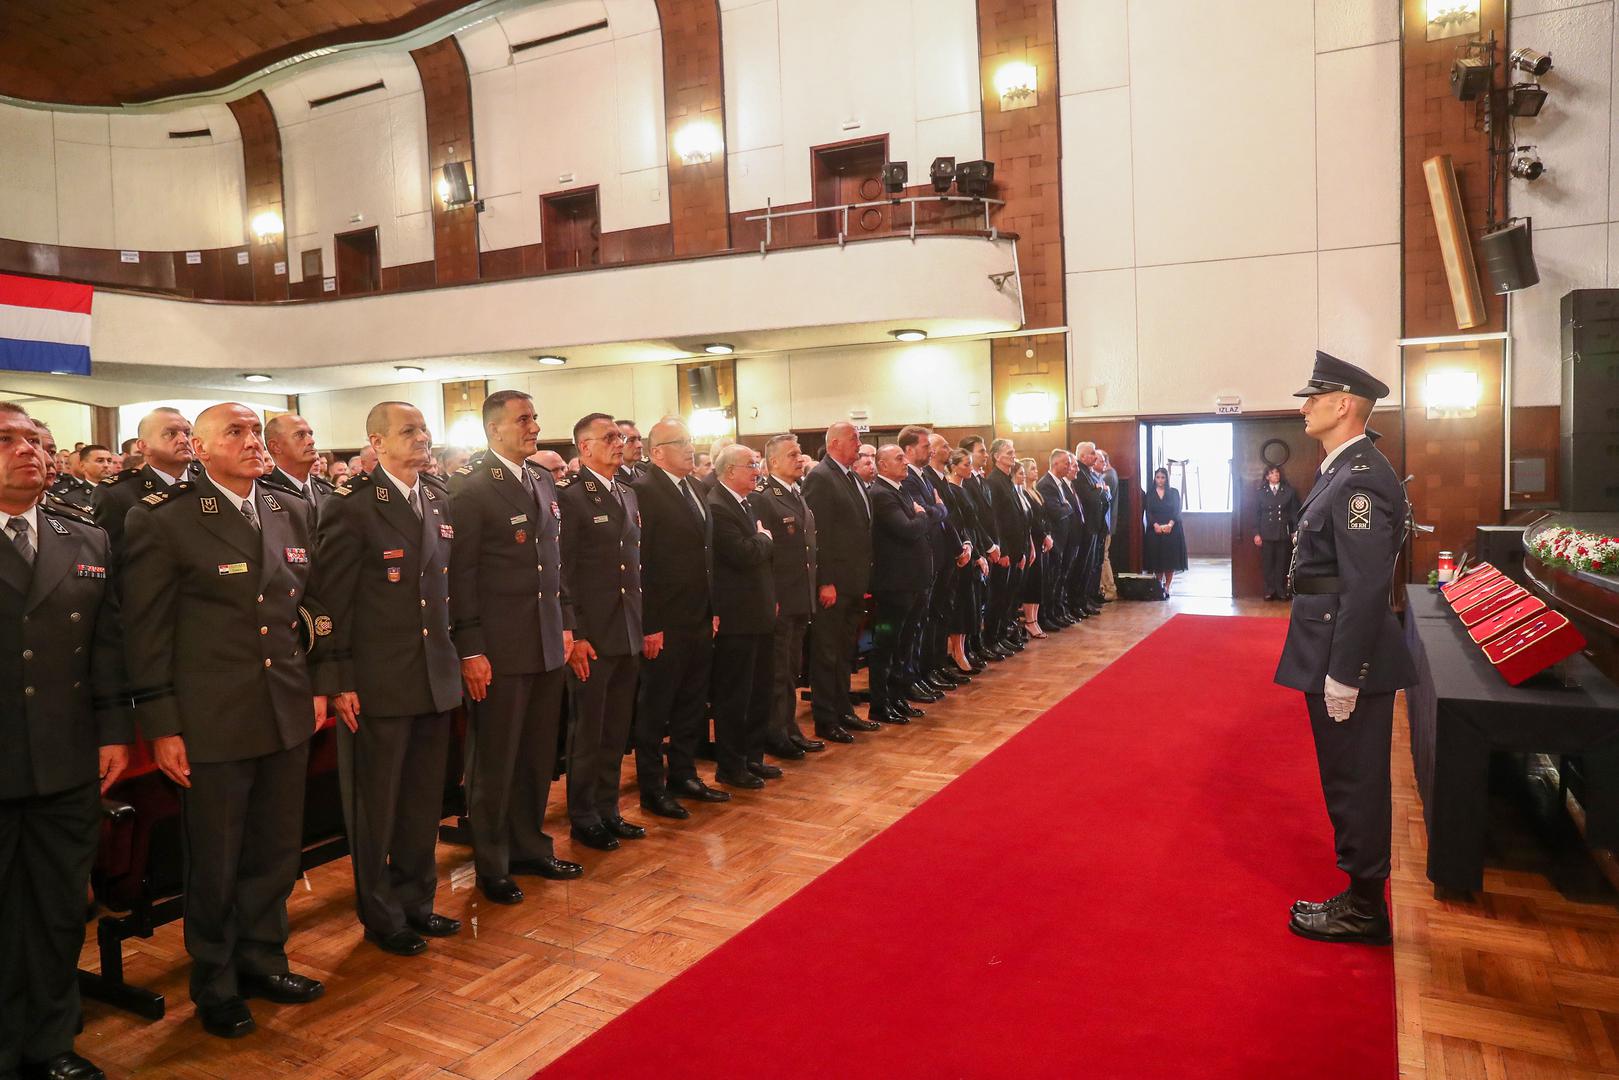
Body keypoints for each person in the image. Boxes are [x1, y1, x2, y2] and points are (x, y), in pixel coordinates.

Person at [122, 403, 328, 1039]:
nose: (251, 442)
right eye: (233, 433)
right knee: (216, 859)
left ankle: (264, 957)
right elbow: (146, 632)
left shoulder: (289, 508)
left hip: (284, 706)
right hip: (212, 717)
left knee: (274, 850)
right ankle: (214, 981)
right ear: (200, 450)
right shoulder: (165, 519)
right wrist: (162, 724)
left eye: (255, 433)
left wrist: (319, 684)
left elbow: (307, 607)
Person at [1, 405, 131, 1080]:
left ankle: (49, 1043)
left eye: (37, 442)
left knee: (58, 910)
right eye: (7, 441)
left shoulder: (83, 537)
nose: (28, 451)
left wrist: (114, 731)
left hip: (64, 754)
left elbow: (106, 648)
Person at [309, 402, 463, 956]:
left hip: (432, 675)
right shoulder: (351, 507)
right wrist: (338, 677)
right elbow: (330, 601)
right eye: (409, 431)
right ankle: (381, 913)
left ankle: (418, 901)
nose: (423, 438)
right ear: (376, 443)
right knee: (376, 806)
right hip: (377, 680)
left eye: (424, 429)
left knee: (423, 799)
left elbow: (448, 590)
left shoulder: (439, 497)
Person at [1276, 351, 1416, 946]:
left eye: (1314, 397)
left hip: (1343, 645)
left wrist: (1346, 672)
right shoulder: (1342, 467)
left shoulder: (1359, 476)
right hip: (1325, 633)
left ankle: (1364, 906)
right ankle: (1360, 894)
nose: (1304, 406)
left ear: (1344, 404)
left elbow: (1363, 584)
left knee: (1354, 777)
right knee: (1343, 774)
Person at [448, 391, 581, 906]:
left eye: (534, 417)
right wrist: (471, 647)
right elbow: (462, 577)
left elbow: (555, 562)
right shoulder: (472, 487)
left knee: (535, 756)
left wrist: (567, 622)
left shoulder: (542, 479)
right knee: (496, 761)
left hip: (546, 640)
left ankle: (531, 844)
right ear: (493, 429)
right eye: (523, 420)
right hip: (499, 648)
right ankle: (493, 862)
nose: (533, 426)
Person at [632, 418, 729, 819]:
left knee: (692, 701)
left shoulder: (694, 486)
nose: (691, 448)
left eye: (690, 441)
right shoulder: (643, 491)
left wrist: (713, 608)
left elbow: (705, 557)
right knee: (657, 708)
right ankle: (653, 787)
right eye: (680, 442)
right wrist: (650, 623)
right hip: (664, 620)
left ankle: (684, 773)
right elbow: (641, 563)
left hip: (697, 615)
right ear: (657, 453)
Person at [558, 413, 646, 850]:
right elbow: (565, 573)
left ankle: (609, 808)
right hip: (593, 636)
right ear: (585, 447)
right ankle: (584, 815)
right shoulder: (571, 498)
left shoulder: (627, 493)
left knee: (615, 730)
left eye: (621, 435)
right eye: (609, 437)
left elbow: (631, 568)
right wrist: (576, 633)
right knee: (588, 732)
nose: (620, 442)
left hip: (627, 629)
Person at [800, 422, 877, 743]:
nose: (859, 445)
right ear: (834, 443)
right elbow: (820, 535)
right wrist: (825, 581)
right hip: (834, 585)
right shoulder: (821, 477)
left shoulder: (849, 475)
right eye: (854, 439)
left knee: (846, 651)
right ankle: (825, 718)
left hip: (855, 582)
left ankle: (843, 709)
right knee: (827, 653)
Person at [706, 444, 778, 785]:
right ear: (730, 470)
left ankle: (753, 756)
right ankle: (731, 765)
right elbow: (742, 553)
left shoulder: (746, 502)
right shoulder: (718, 506)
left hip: (758, 612)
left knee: (759, 689)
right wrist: (764, 538)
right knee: (735, 694)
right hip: (736, 616)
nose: (757, 470)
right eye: (751, 465)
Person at [752, 433, 824, 759]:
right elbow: (767, 554)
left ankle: (789, 727)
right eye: (792, 454)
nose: (800, 458)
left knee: (792, 669)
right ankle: (775, 732)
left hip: (799, 595)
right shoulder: (765, 498)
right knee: (778, 672)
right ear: (773, 463)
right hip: (781, 597)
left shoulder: (797, 493)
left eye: (800, 453)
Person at [866, 445, 933, 725]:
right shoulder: (880, 494)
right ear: (882, 465)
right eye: (898, 458)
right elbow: (907, 530)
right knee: (886, 645)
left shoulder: (899, 489)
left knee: (904, 643)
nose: (905, 462)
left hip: (911, 583)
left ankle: (897, 697)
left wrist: (919, 515)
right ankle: (880, 704)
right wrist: (921, 515)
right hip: (893, 587)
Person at [92, 407, 195, 569]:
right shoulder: (117, 494)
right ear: (144, 446)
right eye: (171, 434)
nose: (183, 440)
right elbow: (114, 561)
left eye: (187, 433)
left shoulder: (207, 483)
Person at [942, 449, 989, 674]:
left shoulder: (964, 488)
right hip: (961, 552)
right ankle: (957, 653)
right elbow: (958, 526)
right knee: (960, 606)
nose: (970, 468)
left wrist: (980, 551)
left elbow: (974, 524)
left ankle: (964, 650)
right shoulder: (951, 489)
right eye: (966, 464)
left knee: (970, 605)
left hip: (972, 547)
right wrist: (972, 551)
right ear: (953, 466)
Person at [262, 413, 333, 526]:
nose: (311, 441)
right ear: (276, 447)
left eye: (310, 434)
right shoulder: (263, 495)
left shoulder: (327, 491)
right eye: (300, 435)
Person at [1036, 450, 1078, 630]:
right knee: (1050, 580)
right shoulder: (1046, 484)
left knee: (1059, 578)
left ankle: (1055, 611)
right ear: (1056, 464)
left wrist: (1065, 507)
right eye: (1066, 463)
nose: (1069, 467)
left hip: (1064, 537)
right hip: (1053, 539)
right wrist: (1067, 507)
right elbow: (1056, 511)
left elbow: (1065, 508)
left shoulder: (1059, 483)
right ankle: (1046, 616)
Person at [1254, 464, 1302, 600]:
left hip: (1282, 532)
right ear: (1267, 476)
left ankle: (1281, 591)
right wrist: (1256, 533)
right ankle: (1269, 590)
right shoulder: (1261, 492)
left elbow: (1294, 513)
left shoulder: (1288, 491)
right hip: (1266, 532)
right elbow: (1256, 514)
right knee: (1267, 563)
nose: (1276, 475)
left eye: (1277, 472)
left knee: (1282, 563)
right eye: (1272, 473)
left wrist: (1294, 531)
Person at [1017, 459, 1052, 639]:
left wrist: (1048, 535)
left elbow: (1044, 517)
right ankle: (1029, 620)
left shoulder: (1035, 491)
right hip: (1033, 540)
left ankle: (1035, 618)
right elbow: (1032, 522)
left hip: (1042, 541)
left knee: (1040, 580)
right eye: (1031, 469)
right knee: (1033, 580)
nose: (1035, 471)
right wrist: (1043, 535)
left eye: (1035, 467)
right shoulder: (1023, 492)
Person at [1142, 468, 1188, 595]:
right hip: (1155, 529)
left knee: (1169, 559)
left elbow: (1177, 510)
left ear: (1167, 479)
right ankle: (1159, 585)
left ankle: (1167, 585)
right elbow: (1148, 512)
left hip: (1172, 529)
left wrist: (1170, 525)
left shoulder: (1174, 492)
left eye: (1163, 477)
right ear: (1155, 478)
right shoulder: (1150, 494)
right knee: (1157, 558)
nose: (1160, 480)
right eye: (1158, 477)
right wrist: (1156, 525)